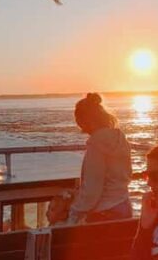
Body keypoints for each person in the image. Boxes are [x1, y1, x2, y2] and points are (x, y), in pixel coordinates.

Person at [53, 93, 133, 225]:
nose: (82, 130)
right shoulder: (121, 140)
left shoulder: (96, 145)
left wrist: (74, 210)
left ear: (86, 122)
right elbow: (126, 175)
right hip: (123, 206)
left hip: (104, 213)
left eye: (81, 125)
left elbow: (92, 189)